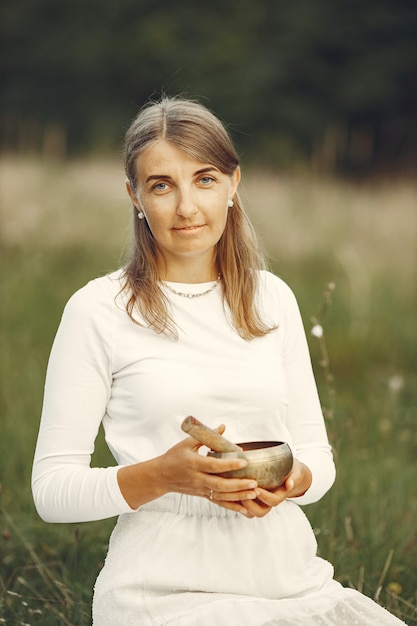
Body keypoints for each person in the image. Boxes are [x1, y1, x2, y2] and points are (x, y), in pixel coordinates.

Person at [32, 96, 406, 625]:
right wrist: (164, 476)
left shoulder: (272, 298)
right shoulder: (97, 310)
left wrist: (288, 480)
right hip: (161, 590)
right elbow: (52, 492)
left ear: (234, 184)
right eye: (162, 185)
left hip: (289, 580)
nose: (187, 207)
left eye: (204, 179)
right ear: (134, 196)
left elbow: (318, 461)